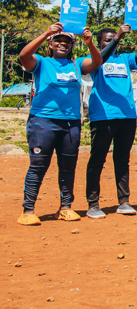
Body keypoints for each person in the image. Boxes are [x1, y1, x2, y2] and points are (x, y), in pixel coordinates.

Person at [17, 22, 102, 225]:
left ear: (72, 46)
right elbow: (23, 56)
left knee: (68, 167)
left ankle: (65, 207)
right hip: (43, 121)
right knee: (38, 166)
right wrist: (45, 33)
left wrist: (90, 43)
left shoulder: (76, 64)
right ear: (51, 44)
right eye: (58, 41)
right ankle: (28, 210)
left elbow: (97, 62)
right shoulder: (42, 63)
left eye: (67, 42)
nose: (62, 44)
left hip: (71, 123)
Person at [84, 22, 137, 218]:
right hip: (103, 116)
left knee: (122, 160)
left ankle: (123, 201)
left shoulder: (124, 59)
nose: (113, 43)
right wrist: (117, 38)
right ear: (99, 43)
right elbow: (100, 59)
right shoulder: (94, 60)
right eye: (106, 40)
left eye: (113, 40)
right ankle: (93, 204)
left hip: (127, 117)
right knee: (97, 160)